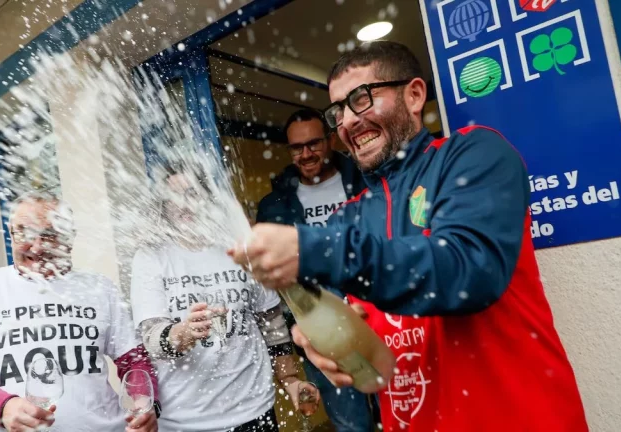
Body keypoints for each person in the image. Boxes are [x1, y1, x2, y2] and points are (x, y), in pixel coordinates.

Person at [230, 41, 588, 431]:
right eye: (338, 111)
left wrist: (313, 248)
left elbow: (468, 270)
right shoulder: (350, 216)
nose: (348, 121)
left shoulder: (472, 154)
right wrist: (317, 341)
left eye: (362, 98)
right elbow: (357, 325)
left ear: (414, 95)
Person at [0, 191, 159, 432]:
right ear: (11, 233)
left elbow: (134, 362)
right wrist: (4, 407)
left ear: (70, 237)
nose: (36, 247)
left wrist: (144, 404)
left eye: (49, 234)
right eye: (24, 233)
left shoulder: (101, 287)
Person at [130, 163, 319, 432]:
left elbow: (271, 322)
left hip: (255, 408)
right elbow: (151, 340)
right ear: (163, 205)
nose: (183, 204)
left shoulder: (238, 247)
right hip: (188, 420)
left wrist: (290, 379)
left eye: (192, 194)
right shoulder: (151, 257)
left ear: (207, 198)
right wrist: (183, 332)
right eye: (173, 197)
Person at [256, 108, 376, 431]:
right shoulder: (273, 207)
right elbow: (274, 277)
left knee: (403, 412)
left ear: (330, 140)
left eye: (313, 144)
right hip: (322, 333)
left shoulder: (366, 181)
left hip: (378, 320)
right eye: (297, 148)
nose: (306, 154)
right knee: (351, 425)